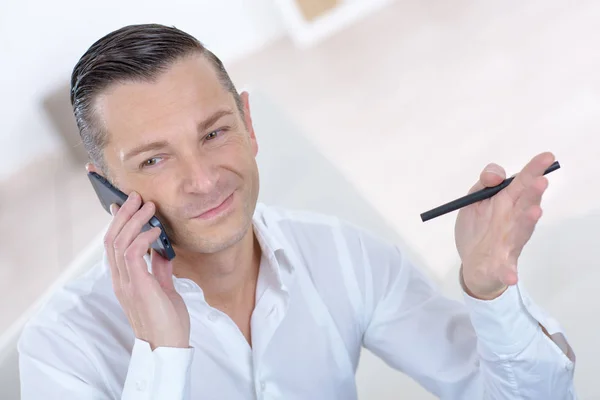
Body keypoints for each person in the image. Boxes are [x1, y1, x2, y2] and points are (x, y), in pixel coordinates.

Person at [18, 23, 576, 399]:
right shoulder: (61, 346)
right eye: (155, 159)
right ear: (107, 191)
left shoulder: (344, 256)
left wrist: (488, 291)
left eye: (213, 133)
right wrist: (162, 352)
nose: (204, 179)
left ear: (248, 125)